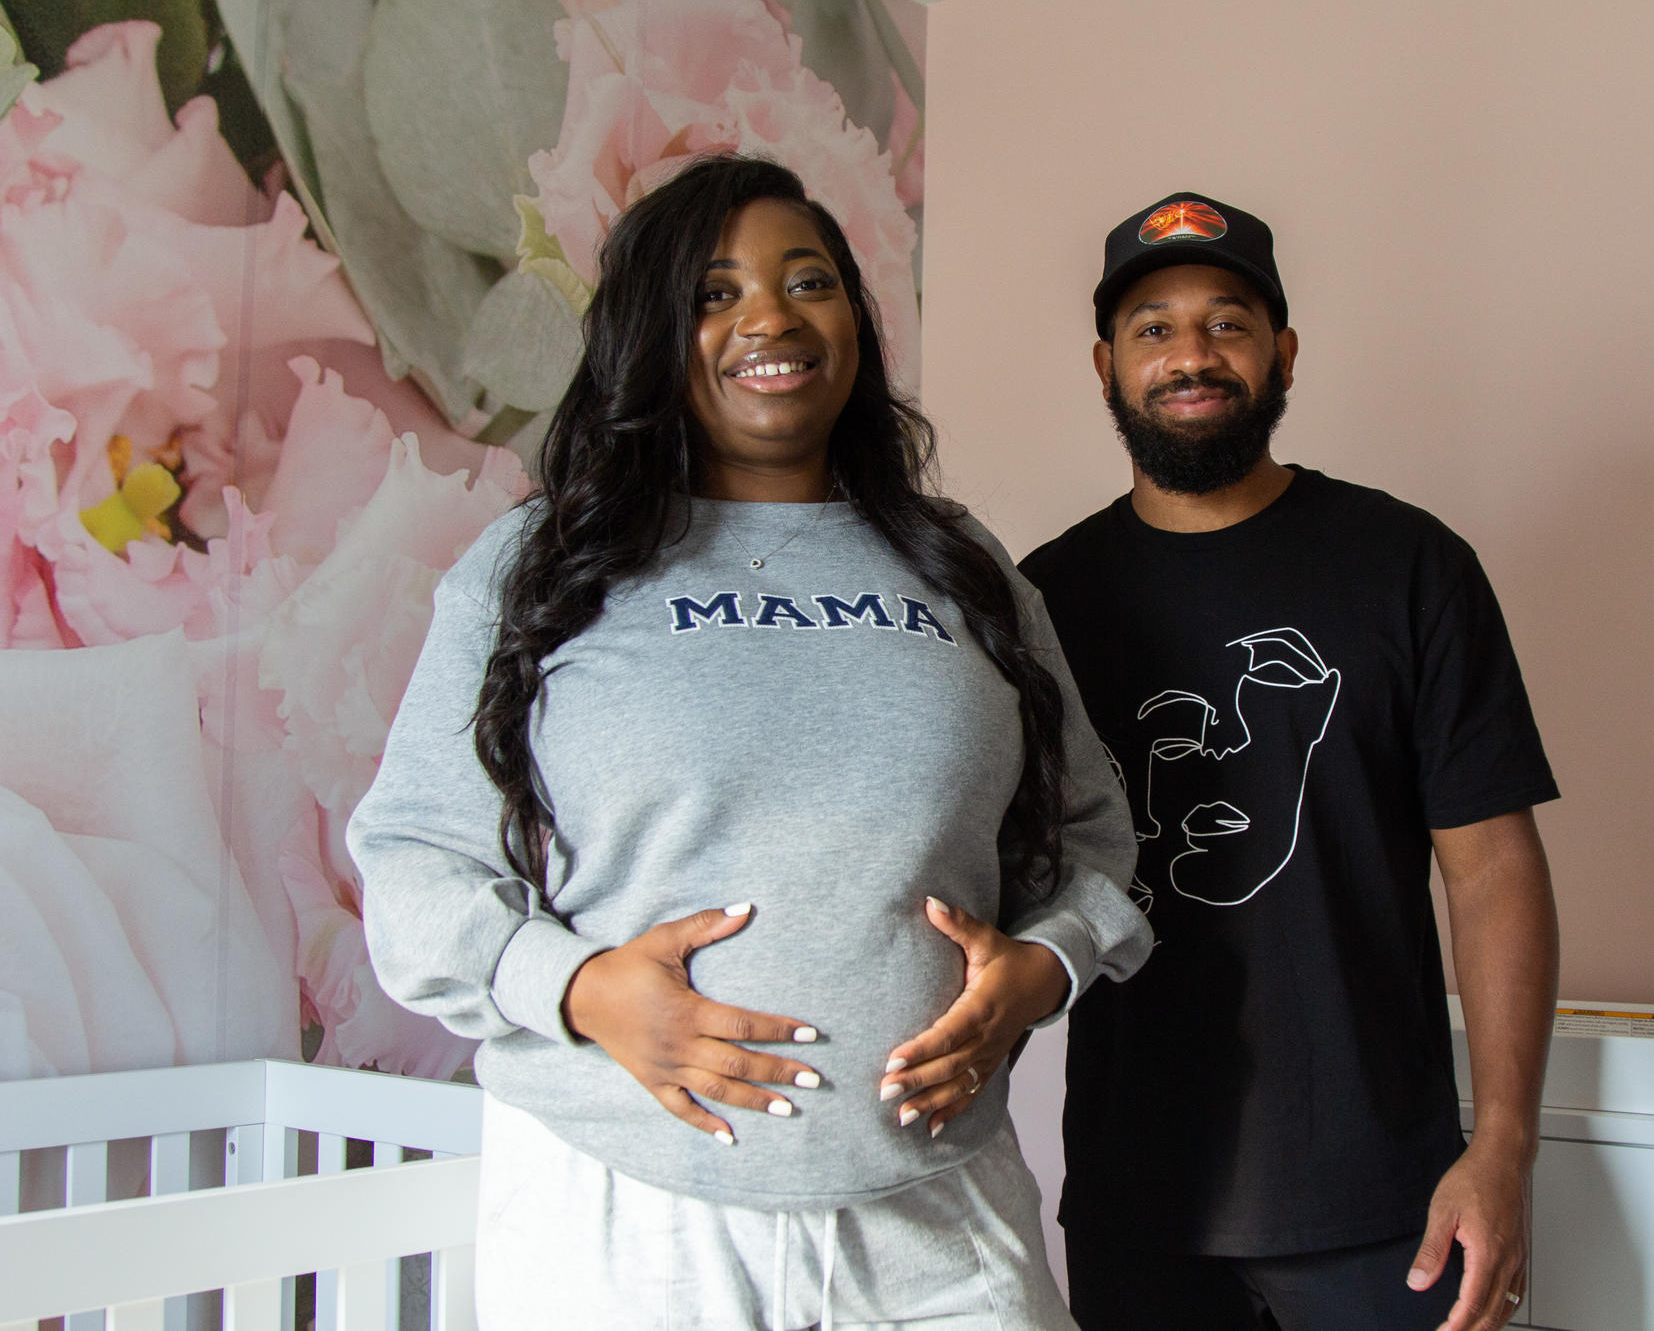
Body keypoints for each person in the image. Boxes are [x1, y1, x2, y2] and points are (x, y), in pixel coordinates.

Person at [348, 154, 1150, 1330]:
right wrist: (578, 989)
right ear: (653, 333)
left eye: (808, 281)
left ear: (854, 325)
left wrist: (1048, 966)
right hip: (624, 1210)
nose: (770, 316)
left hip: (936, 1206)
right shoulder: (538, 570)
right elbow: (413, 867)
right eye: (715, 293)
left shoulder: (962, 564)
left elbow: (1092, 831)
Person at [1018, 192, 1560, 1331]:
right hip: (1133, 1195)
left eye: (1228, 321)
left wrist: (1502, 1148)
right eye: (1153, 328)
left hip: (1385, 1197)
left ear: (1283, 354)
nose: (1191, 355)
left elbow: (1494, 871)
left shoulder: (1409, 567)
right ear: (1106, 364)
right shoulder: (1043, 598)